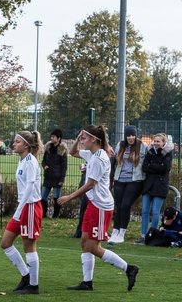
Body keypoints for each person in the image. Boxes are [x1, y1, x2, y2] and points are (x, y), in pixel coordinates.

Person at [59, 124, 139, 292]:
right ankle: (87, 282)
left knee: (94, 247)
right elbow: (72, 153)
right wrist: (78, 136)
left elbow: (90, 184)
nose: (82, 141)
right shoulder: (92, 154)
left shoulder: (99, 158)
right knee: (84, 242)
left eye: (84, 138)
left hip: (101, 207)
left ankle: (129, 268)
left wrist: (69, 197)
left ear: (94, 140)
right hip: (93, 204)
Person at [1, 130, 44, 294]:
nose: (14, 144)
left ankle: (33, 285)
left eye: (17, 142)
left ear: (26, 145)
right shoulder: (22, 160)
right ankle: (26, 276)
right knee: (5, 243)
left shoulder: (31, 162)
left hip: (31, 207)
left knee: (29, 246)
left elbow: (30, 187)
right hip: (23, 207)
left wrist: (19, 209)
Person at [109, 125, 147, 244]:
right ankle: (115, 231)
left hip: (134, 181)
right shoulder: (120, 145)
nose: (131, 137)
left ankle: (122, 233)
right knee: (118, 206)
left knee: (125, 205)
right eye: (128, 135)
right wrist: (111, 178)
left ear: (136, 135)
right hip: (119, 179)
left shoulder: (142, 146)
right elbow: (115, 162)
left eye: (133, 135)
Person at [139, 133, 174, 242]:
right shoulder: (150, 152)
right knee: (145, 211)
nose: (156, 143)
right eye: (155, 141)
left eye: (158, 141)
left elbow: (165, 168)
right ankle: (143, 235)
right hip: (148, 185)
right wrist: (157, 167)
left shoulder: (168, 153)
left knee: (155, 211)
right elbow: (144, 167)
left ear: (163, 142)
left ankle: (152, 234)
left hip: (160, 186)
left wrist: (152, 166)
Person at [41, 129, 68, 217]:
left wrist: (62, 179)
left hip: (57, 178)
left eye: (53, 137)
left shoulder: (62, 150)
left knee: (57, 198)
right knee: (43, 197)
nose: (51, 138)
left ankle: (55, 216)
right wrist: (44, 166)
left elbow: (64, 166)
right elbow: (43, 160)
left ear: (59, 138)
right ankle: (43, 215)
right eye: (51, 136)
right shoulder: (48, 147)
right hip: (48, 176)